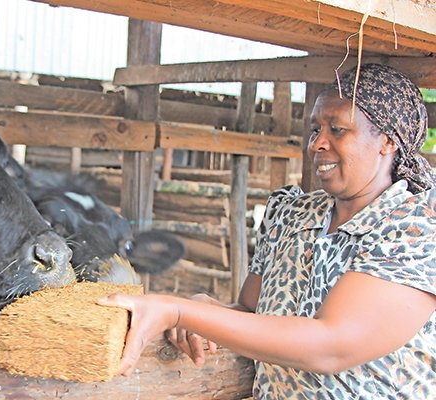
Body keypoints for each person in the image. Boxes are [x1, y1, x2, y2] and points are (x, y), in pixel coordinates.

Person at [98, 63, 436, 399]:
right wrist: (209, 310)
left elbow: (331, 345)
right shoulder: (293, 214)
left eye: (337, 129)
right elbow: (251, 312)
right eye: (315, 128)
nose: (318, 143)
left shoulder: (415, 227)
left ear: (388, 141)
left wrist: (182, 311)